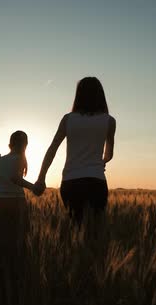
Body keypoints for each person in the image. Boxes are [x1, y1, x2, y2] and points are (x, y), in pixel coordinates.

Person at [33, 77, 116, 223]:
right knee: (95, 231)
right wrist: (101, 161)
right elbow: (109, 154)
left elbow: (52, 149)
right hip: (96, 181)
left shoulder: (68, 119)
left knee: (76, 229)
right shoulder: (109, 121)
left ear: (78, 95)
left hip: (71, 182)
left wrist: (41, 177)